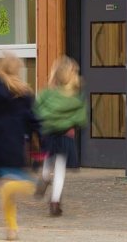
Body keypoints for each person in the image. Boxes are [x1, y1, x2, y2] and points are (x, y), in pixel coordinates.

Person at [0, 53, 40, 241]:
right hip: (14, 146)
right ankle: (26, 187)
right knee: (27, 186)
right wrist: (40, 143)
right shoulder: (23, 93)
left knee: (7, 190)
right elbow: (33, 121)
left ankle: (12, 229)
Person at [33, 55, 87, 216]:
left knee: (48, 159)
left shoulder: (47, 94)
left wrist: (45, 122)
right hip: (65, 136)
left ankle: (44, 177)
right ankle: (55, 202)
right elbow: (81, 118)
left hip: (48, 134)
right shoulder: (77, 98)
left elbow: (35, 110)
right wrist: (69, 123)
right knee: (60, 168)